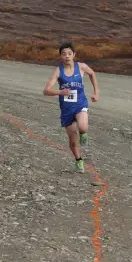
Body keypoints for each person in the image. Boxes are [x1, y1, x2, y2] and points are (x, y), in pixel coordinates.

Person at [43, 42, 99, 173]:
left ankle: (84, 133)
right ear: (60, 56)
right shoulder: (58, 71)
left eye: (69, 54)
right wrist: (60, 92)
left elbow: (92, 74)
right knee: (73, 140)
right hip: (66, 108)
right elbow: (46, 91)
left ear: (74, 54)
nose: (67, 56)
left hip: (80, 103)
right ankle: (79, 160)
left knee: (83, 126)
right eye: (64, 54)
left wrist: (96, 92)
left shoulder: (81, 67)